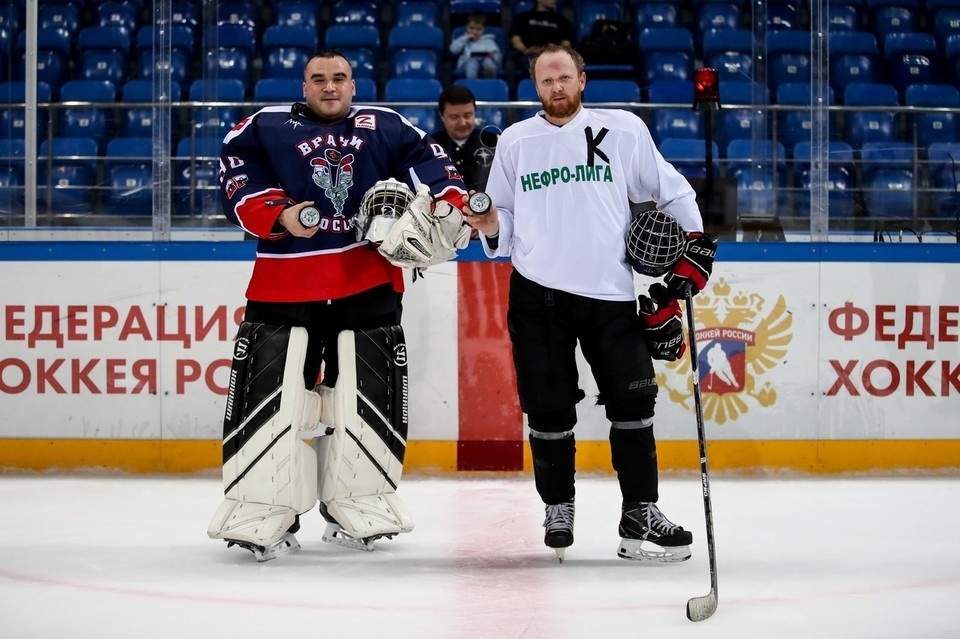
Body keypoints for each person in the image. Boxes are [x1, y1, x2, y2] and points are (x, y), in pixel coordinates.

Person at [207, 49, 470, 561]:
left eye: (340, 79)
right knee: (271, 392)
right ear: (304, 86)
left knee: (367, 392)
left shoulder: (387, 125)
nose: (330, 87)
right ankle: (264, 505)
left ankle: (358, 498)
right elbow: (234, 168)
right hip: (285, 286)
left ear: (354, 85)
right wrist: (279, 213)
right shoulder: (265, 125)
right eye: (319, 79)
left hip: (367, 281)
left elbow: (436, 168)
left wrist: (448, 206)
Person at [462, 45, 716, 562]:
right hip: (537, 294)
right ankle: (559, 506)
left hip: (611, 293)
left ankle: (639, 514)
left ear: (583, 79)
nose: (555, 88)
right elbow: (504, 225)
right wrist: (489, 224)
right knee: (548, 409)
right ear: (535, 87)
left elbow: (673, 190)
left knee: (633, 405)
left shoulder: (623, 130)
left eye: (564, 77)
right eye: (545, 80)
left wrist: (696, 249)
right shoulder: (516, 141)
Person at [431, 84, 496, 193]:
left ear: (475, 112)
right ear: (442, 116)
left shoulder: (494, 142)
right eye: (454, 117)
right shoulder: (430, 146)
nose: (462, 123)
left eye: (467, 115)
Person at [508, 0, 575, 59]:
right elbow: (515, 39)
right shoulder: (523, 18)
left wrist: (555, 49)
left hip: (553, 56)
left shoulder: (562, 21)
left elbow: (566, 44)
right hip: (529, 56)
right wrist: (526, 50)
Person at [450, 12, 502, 79]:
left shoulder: (489, 41)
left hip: (485, 60)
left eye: (478, 29)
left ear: (484, 30)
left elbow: (499, 56)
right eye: (471, 28)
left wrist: (493, 56)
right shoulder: (464, 39)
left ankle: (490, 77)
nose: (474, 32)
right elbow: (453, 50)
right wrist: (465, 38)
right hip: (468, 61)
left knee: (488, 61)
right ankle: (472, 81)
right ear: (466, 27)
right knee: (472, 62)